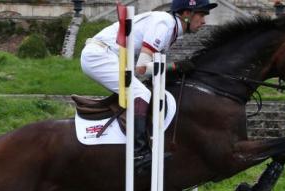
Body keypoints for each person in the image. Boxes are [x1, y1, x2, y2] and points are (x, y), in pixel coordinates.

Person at [80, 0, 218, 170]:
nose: (204, 21)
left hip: (107, 56)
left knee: (144, 92)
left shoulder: (171, 28)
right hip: (99, 56)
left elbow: (151, 68)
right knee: (141, 94)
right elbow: (142, 68)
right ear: (186, 14)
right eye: (202, 14)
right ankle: (139, 153)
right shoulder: (164, 23)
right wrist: (175, 66)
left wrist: (173, 68)